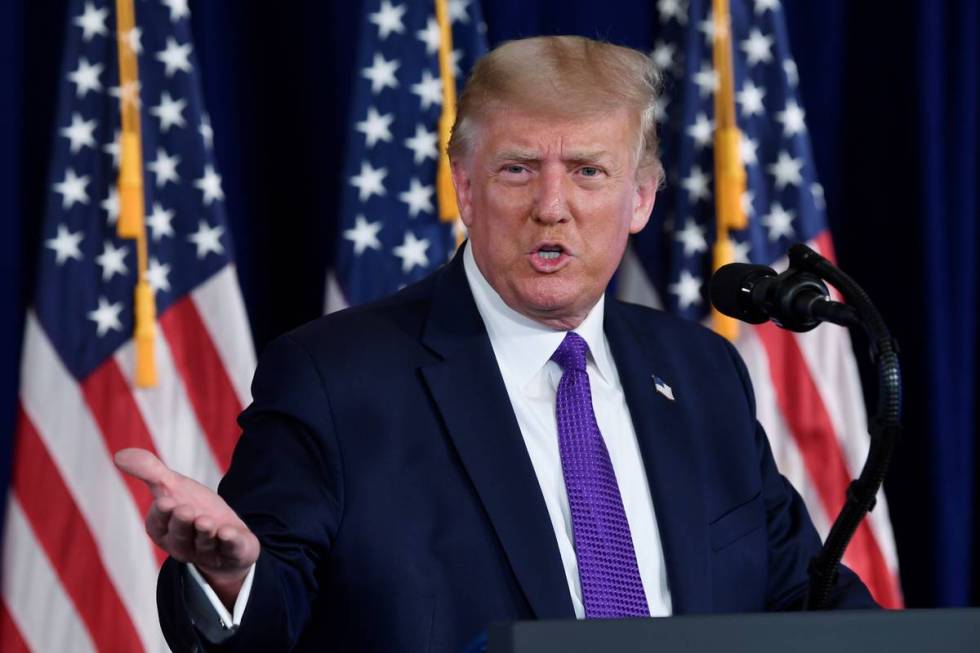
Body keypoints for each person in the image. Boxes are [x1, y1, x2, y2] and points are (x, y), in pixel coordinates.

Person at [116, 35, 876, 653]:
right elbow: (267, 612)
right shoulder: (335, 379)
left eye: (587, 171)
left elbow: (799, 596)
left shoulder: (701, 371)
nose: (552, 207)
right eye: (518, 170)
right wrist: (230, 577)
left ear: (640, 197)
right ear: (466, 189)